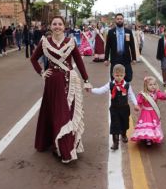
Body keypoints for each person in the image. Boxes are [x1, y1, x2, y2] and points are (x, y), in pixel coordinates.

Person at [30, 16, 92, 163]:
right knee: (56, 114)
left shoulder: (70, 42)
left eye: (60, 24)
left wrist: (86, 80)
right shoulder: (45, 42)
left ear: (64, 27)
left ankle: (67, 146)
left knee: (67, 113)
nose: (57, 26)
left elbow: (78, 61)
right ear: (50, 26)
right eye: (54, 24)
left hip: (70, 82)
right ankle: (61, 147)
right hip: (52, 83)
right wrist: (42, 72)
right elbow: (33, 58)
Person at [91, 64, 139, 150]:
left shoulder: (127, 85)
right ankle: (115, 142)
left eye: (121, 75)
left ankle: (123, 134)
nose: (119, 77)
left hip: (124, 108)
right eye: (117, 75)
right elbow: (100, 90)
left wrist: (136, 104)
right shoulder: (110, 85)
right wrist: (91, 90)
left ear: (124, 75)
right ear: (113, 75)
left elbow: (131, 95)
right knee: (115, 125)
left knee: (125, 123)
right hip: (114, 109)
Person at [130, 76, 166, 146]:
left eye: (154, 84)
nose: (153, 86)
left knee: (152, 125)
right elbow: (138, 102)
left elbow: (164, 96)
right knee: (146, 125)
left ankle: (150, 137)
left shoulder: (157, 93)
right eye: (150, 85)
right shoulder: (143, 94)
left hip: (154, 113)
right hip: (145, 112)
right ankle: (146, 137)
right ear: (146, 86)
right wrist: (137, 106)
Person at [104, 13, 137, 82]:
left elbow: (132, 45)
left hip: (126, 58)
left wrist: (134, 58)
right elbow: (107, 46)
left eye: (121, 19)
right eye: (118, 19)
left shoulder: (128, 31)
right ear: (115, 20)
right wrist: (106, 59)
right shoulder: (111, 32)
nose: (119, 20)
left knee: (128, 77)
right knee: (114, 78)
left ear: (123, 20)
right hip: (115, 58)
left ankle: (125, 91)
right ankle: (116, 91)